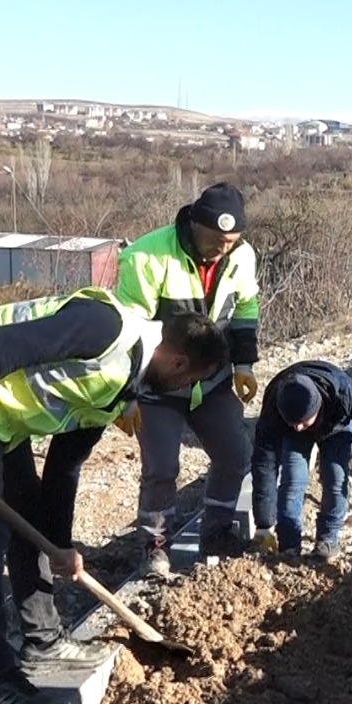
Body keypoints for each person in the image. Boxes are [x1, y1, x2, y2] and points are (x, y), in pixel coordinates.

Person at [0, 288, 227, 704]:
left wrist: (59, 545)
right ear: (179, 363)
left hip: (0, 417)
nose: (186, 389)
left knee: (28, 515)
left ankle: (43, 639)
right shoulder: (105, 329)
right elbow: (3, 346)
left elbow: (64, 466)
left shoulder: (125, 387)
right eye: (189, 381)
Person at [115, 183, 262, 571]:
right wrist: (125, 393)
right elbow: (129, 332)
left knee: (234, 453)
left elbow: (245, 307)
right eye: (217, 240)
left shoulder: (242, 256)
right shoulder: (147, 257)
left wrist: (244, 365)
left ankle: (216, 531)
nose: (224, 248)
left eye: (232, 241)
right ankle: (155, 543)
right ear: (194, 224)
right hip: (158, 385)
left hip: (211, 381)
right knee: (162, 466)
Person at [249, 360, 352, 562]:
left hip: (336, 426)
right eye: (293, 422)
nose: (299, 427)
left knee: (335, 478)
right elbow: (264, 466)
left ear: (316, 408)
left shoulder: (344, 393)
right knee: (292, 481)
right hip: (289, 433)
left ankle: (328, 539)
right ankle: (288, 546)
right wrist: (263, 525)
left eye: (304, 422)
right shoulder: (274, 412)